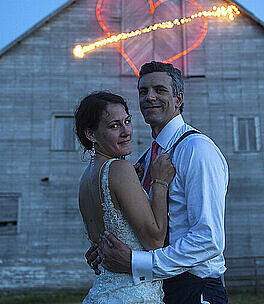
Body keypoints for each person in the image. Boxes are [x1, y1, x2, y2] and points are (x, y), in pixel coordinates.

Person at [86, 62, 229, 304]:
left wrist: (135, 262)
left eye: (160, 90)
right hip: (156, 287)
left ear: (178, 99)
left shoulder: (197, 149)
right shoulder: (144, 159)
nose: (149, 97)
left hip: (194, 288)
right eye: (143, 91)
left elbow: (208, 239)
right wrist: (106, 247)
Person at [76, 91, 176, 303]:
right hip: (132, 294)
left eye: (127, 121)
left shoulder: (86, 179)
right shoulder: (120, 169)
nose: (126, 132)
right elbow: (155, 241)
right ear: (91, 134)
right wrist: (160, 183)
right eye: (114, 126)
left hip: (102, 293)